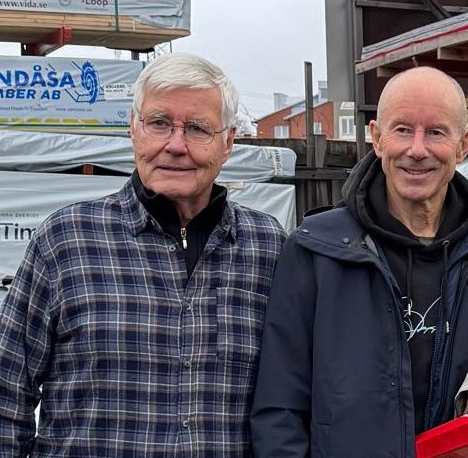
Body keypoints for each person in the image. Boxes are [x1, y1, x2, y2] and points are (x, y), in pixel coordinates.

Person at [0, 52, 287, 457]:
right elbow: (7, 390)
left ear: (228, 143)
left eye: (198, 128)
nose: (175, 145)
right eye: (159, 124)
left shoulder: (268, 247)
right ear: (134, 131)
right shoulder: (67, 241)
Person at [250, 66, 468, 456]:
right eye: (402, 129)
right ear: (377, 138)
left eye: (436, 132)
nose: (417, 150)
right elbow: (279, 410)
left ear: (464, 144)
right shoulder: (316, 252)